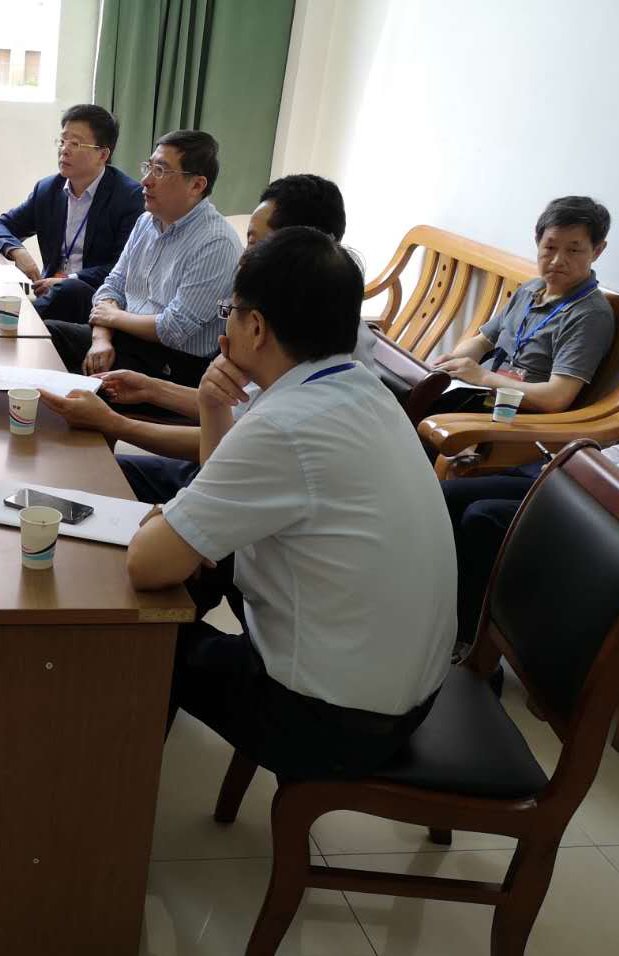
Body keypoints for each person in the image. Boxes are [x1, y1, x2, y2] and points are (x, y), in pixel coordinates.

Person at [126, 227, 456, 777]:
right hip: (398, 691)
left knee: (139, 634)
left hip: (332, 721)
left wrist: (167, 524)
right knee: (196, 563)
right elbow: (222, 493)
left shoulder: (285, 424)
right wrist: (211, 406)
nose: (226, 325)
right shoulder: (357, 387)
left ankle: (109, 803)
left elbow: (145, 562)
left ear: (255, 327)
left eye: (229, 312)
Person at [41, 174, 374, 504]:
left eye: (256, 244)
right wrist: (149, 388)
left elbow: (236, 450)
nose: (244, 257)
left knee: (90, 480)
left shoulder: (316, 341)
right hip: (223, 461)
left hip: (238, 476)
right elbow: (237, 412)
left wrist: (115, 423)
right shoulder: (295, 319)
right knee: (83, 472)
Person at [444, 381, 619, 642]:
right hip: (597, 485)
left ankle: (469, 636)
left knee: (484, 516)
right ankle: (442, 615)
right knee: (451, 495)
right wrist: (574, 466)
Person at [45, 129, 242, 387]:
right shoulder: (147, 221)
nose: (146, 181)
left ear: (196, 185)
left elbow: (173, 328)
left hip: (172, 363)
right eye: (148, 167)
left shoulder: (216, 242)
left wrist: (113, 318)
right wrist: (101, 339)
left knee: (68, 377)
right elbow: (112, 285)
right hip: (124, 335)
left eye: (160, 171)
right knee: (47, 332)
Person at [429, 196, 615, 414]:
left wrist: (482, 377)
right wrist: (452, 362)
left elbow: (556, 397)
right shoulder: (530, 289)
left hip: (510, 417)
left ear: (597, 251)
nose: (557, 260)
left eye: (573, 250)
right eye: (550, 247)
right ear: (538, 243)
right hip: (474, 395)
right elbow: (482, 341)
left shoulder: (590, 315)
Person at [0, 104, 144, 323]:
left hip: (96, 299)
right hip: (50, 294)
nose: (64, 150)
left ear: (103, 154)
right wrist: (18, 251)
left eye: (75, 143)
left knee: (68, 290)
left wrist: (69, 279)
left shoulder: (129, 197)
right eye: (62, 141)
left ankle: (16, 322)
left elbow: (122, 268)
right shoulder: (48, 189)